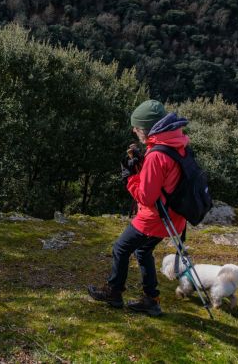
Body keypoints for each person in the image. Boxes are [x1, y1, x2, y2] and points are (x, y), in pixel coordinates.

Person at [87, 99, 189, 316]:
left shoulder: (157, 154)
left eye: (136, 127)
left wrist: (129, 177)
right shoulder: (175, 142)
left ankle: (114, 293)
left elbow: (146, 196)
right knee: (143, 250)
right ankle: (151, 300)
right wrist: (141, 163)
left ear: (148, 128)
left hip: (155, 217)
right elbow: (163, 178)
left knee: (121, 248)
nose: (134, 131)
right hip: (174, 216)